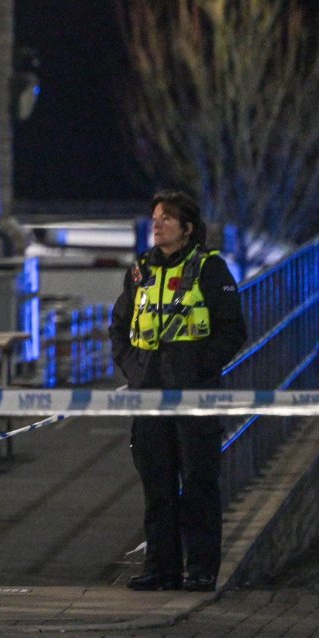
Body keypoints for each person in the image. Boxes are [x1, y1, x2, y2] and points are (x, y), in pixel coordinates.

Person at [109, 190, 246, 593]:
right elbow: (120, 327)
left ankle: (201, 570)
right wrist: (134, 369)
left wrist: (201, 366)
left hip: (194, 396)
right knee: (158, 486)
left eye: (166, 219)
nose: (157, 224)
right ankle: (161, 569)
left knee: (200, 485)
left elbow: (232, 330)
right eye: (155, 217)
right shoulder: (139, 272)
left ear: (187, 229)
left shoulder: (210, 269)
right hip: (149, 394)